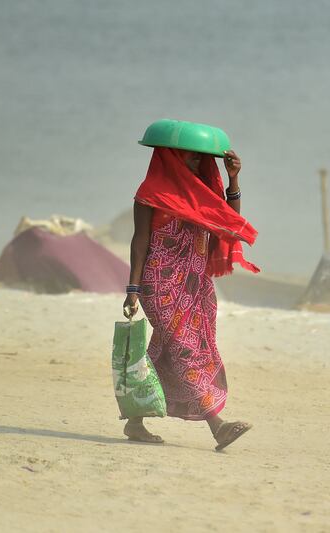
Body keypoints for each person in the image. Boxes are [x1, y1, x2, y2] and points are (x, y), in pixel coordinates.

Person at [122, 141, 258, 451]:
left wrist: (233, 179)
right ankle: (217, 425)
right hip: (160, 284)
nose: (198, 161)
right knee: (186, 349)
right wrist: (133, 289)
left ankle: (135, 419)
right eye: (191, 155)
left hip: (195, 284)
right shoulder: (150, 193)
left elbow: (226, 222)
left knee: (167, 349)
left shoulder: (200, 191)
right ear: (171, 156)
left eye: (201, 157)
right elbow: (139, 240)